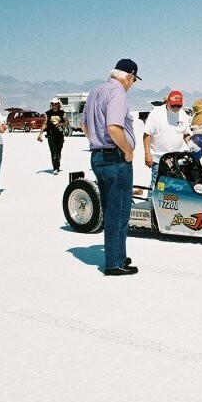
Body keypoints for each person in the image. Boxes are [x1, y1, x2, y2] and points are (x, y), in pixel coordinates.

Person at [81, 59, 141, 276]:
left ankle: (117, 253)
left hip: (98, 157)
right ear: (128, 76)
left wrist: (97, 143)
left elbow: (84, 125)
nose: (132, 84)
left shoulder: (96, 91)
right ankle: (115, 263)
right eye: (133, 80)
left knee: (110, 208)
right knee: (120, 209)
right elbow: (114, 127)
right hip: (116, 158)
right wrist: (127, 150)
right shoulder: (117, 94)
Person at [143, 90, 191, 188]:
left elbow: (186, 134)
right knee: (157, 186)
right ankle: (151, 202)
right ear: (167, 102)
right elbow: (147, 134)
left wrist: (193, 147)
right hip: (159, 159)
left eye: (179, 105)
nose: (176, 108)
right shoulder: (156, 113)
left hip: (176, 158)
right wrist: (147, 155)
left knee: (175, 186)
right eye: (173, 105)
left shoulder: (182, 114)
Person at [37, 98, 68, 174]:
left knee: (58, 152)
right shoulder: (47, 113)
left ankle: (57, 164)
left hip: (60, 136)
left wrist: (60, 124)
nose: (54, 105)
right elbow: (44, 124)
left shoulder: (62, 113)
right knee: (53, 152)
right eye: (52, 104)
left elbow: (67, 122)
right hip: (50, 135)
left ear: (58, 104)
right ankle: (55, 168)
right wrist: (40, 134)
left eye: (56, 104)